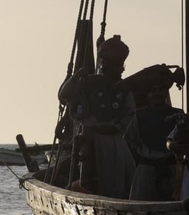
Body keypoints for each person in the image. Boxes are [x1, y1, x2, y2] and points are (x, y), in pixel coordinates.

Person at [57, 34, 136, 197]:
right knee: (91, 175)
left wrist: (116, 126)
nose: (122, 69)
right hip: (91, 138)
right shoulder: (88, 84)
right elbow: (64, 96)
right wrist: (76, 76)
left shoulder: (123, 88)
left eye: (122, 65)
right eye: (118, 65)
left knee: (126, 171)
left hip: (116, 139)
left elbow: (130, 112)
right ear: (107, 66)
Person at [126, 83, 184, 201]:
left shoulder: (178, 114)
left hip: (171, 168)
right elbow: (132, 143)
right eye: (154, 90)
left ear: (166, 93)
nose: (157, 93)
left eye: (161, 89)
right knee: (140, 208)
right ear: (149, 94)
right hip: (147, 169)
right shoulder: (139, 115)